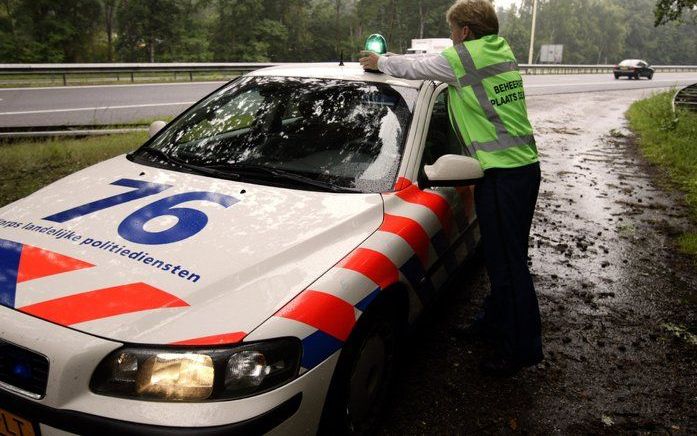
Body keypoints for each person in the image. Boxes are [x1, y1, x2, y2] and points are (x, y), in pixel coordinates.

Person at [359, 0, 543, 376]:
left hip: (504, 174)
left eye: (452, 31)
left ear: (465, 32)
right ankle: (494, 322)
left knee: (509, 265)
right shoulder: (500, 50)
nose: (450, 38)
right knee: (502, 259)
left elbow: (415, 66)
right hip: (521, 169)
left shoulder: (463, 58)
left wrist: (379, 63)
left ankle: (520, 348)